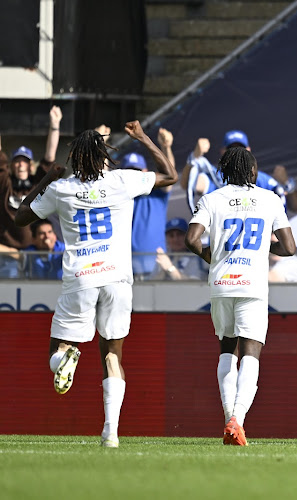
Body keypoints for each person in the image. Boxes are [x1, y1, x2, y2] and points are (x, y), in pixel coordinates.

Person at [14, 120, 178, 448]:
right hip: (117, 277)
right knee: (112, 354)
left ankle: (66, 359)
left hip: (81, 278)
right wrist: (142, 137)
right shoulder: (122, 180)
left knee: (57, 349)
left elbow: (21, 217)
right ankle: (111, 433)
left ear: (75, 159)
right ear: (104, 156)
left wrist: (48, 177)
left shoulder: (62, 189)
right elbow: (171, 175)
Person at [185, 147, 296, 446]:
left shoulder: (212, 199)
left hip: (222, 283)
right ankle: (238, 420)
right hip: (252, 285)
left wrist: (212, 255)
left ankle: (228, 419)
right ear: (253, 171)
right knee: (251, 353)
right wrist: (261, 246)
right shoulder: (270, 199)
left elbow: (191, 239)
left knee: (226, 350)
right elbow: (289, 247)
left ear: (223, 171)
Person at [181, 130, 297, 214]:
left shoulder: (262, 180)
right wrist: (194, 158)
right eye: (231, 149)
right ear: (223, 151)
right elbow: (187, 184)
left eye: (241, 149)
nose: (237, 153)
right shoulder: (215, 177)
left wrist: (287, 184)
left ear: (248, 150)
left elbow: (296, 208)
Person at [0, 106, 62, 249]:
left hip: (35, 252)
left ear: (31, 166)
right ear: (11, 166)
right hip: (8, 254)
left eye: (24, 161)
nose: (20, 165)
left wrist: (55, 124)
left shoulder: (37, 184)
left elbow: (49, 157)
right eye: (16, 161)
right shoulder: (5, 184)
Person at [126, 128, 176, 279]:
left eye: (137, 170)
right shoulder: (120, 195)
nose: (134, 175)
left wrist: (166, 148)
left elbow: (169, 176)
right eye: (129, 171)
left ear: (146, 172)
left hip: (156, 268)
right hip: (125, 269)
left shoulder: (157, 194)